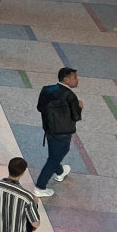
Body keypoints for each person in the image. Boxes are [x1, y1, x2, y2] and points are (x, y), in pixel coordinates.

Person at [33, 67, 82, 198]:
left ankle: (60, 172)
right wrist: (80, 107)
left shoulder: (46, 89)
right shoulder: (71, 96)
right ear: (66, 80)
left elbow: (39, 107)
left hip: (49, 129)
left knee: (54, 154)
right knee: (54, 158)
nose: (77, 80)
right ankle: (40, 186)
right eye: (75, 78)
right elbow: (76, 116)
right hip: (63, 132)